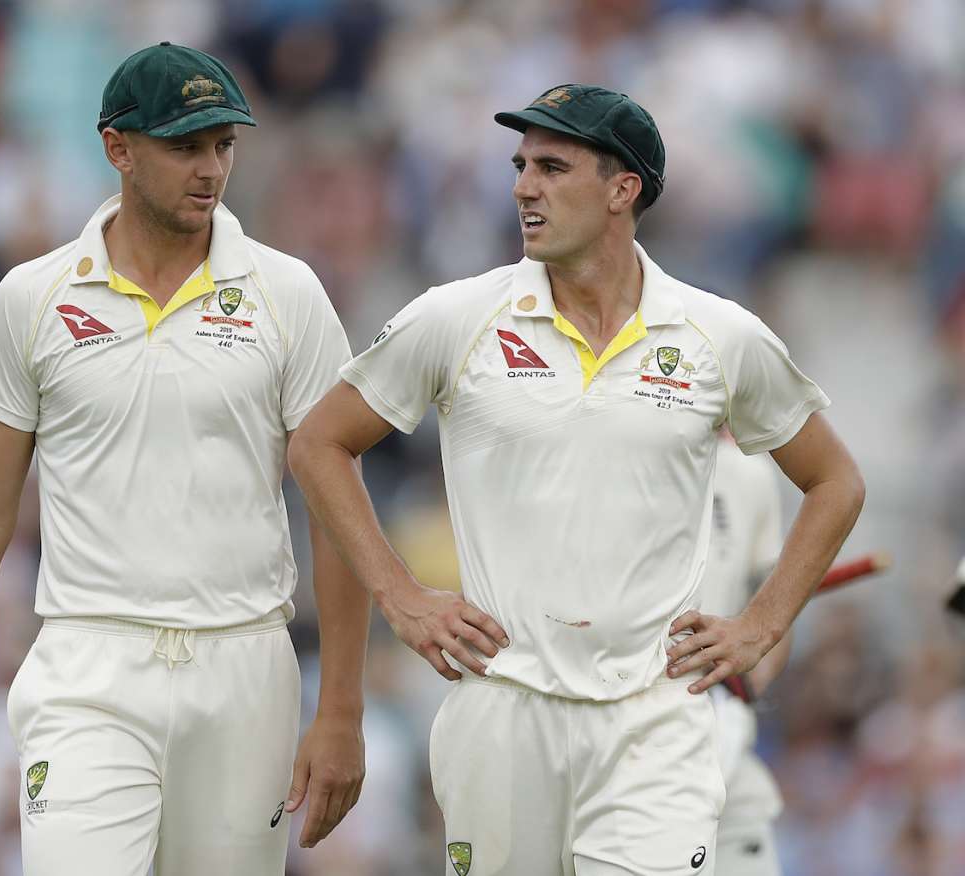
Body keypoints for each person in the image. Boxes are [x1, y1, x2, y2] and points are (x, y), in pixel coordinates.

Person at [287, 84, 866, 875]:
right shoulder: (456, 317)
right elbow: (320, 443)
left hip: (655, 721)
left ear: (623, 188)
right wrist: (400, 594)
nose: (524, 185)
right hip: (500, 713)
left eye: (554, 167)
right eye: (521, 166)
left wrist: (760, 624)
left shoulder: (719, 333)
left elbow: (835, 480)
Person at [0, 42, 369, 875]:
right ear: (118, 148)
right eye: (184, 146)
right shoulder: (35, 297)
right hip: (87, 664)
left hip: (245, 665)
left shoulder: (288, 294)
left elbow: (336, 503)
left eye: (222, 146)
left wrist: (342, 710)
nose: (210, 169)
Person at [703, 432, 793, 876]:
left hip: (722, 727)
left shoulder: (748, 471)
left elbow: (775, 605)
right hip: (621, 720)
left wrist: (748, 680)